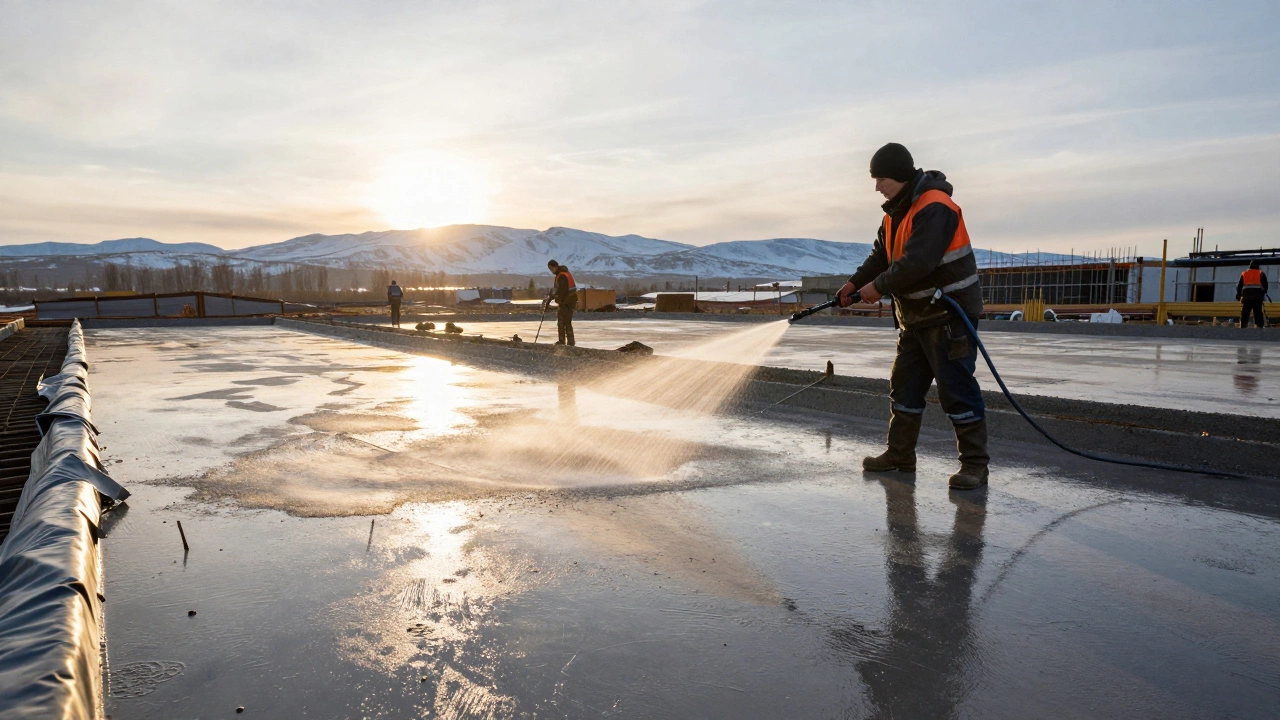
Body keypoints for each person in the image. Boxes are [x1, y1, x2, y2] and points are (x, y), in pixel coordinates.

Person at [837, 142, 988, 490]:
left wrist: (877, 288)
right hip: (916, 317)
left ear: (900, 175)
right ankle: (900, 456)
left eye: (881, 179)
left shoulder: (935, 206)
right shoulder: (895, 213)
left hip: (949, 315)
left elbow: (918, 263)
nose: (877, 187)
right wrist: (854, 283)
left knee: (956, 390)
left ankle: (975, 465)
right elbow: (881, 257)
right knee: (904, 387)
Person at [543, 260, 577, 346]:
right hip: (569, 301)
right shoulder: (562, 274)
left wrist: (558, 299)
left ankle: (565, 342)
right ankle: (569, 342)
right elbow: (557, 290)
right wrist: (551, 298)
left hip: (567, 302)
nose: (551, 270)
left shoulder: (562, 276)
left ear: (555, 266)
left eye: (551, 268)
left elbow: (562, 291)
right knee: (565, 321)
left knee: (563, 321)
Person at [1236, 260, 1269, 329]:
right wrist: (1264, 292)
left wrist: (1239, 294)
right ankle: (1259, 326)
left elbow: (1239, 285)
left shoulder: (1244, 273)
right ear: (1258, 266)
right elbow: (1265, 285)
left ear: (1250, 265)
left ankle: (1243, 326)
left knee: (1245, 311)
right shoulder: (1261, 273)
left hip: (1247, 296)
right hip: (1258, 296)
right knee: (1258, 311)